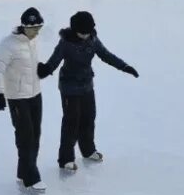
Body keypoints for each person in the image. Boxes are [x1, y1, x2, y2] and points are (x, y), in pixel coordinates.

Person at [38, 11, 139, 171]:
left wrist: (124, 66)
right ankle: (66, 159)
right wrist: (44, 70)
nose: (85, 35)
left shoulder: (92, 39)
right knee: (71, 121)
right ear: (75, 30)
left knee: (88, 118)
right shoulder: (66, 42)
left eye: (87, 32)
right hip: (69, 87)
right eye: (82, 32)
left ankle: (88, 150)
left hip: (86, 85)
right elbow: (54, 61)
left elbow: (105, 55)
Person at [0, 7, 47, 195]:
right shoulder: (8, 44)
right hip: (17, 98)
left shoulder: (32, 42)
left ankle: (23, 174)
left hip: (35, 95)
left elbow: (28, 65)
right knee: (25, 137)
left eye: (40, 27)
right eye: (35, 28)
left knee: (35, 136)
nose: (38, 31)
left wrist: (41, 69)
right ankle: (31, 178)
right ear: (25, 26)